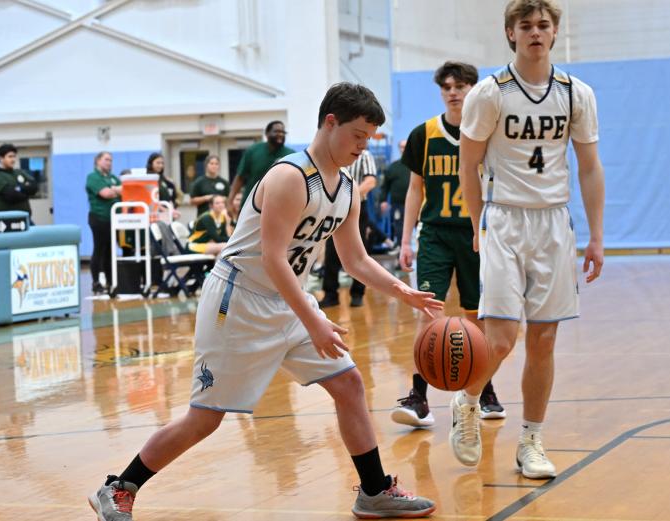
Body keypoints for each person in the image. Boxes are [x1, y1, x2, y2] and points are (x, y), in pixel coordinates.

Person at [88, 83, 440, 520]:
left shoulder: (347, 187)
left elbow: (355, 259)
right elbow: (273, 259)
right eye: (357, 135)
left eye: (369, 138)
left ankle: (373, 490)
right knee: (206, 417)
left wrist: (401, 290)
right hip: (239, 299)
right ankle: (119, 488)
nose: (362, 146)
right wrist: (312, 321)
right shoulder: (290, 176)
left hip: (287, 299)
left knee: (348, 384)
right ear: (330, 123)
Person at [455, 0, 604, 477]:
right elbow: (469, 165)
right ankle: (468, 400)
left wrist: (597, 236)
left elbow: (590, 167)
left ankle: (531, 442)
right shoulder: (488, 93)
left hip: (554, 224)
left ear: (555, 33)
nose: (536, 32)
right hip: (504, 220)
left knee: (544, 341)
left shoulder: (576, 94)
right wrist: (478, 224)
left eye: (544, 25)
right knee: (500, 339)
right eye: (526, 26)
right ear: (510, 33)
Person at [390, 61, 504, 429]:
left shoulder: (486, 134)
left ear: (473, 89)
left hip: (475, 235)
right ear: (441, 91)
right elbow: (414, 190)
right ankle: (419, 396)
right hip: (436, 234)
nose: (454, 92)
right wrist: (406, 239)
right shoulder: (424, 134)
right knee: (429, 311)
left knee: (477, 318)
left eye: (462, 85)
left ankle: (483, 389)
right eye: (448, 86)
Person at [318, 149, 377, 308]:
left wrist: (349, 196)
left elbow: (370, 181)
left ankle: (357, 293)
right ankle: (331, 294)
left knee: (358, 252)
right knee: (331, 252)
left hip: (357, 206)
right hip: (334, 207)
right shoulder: (334, 156)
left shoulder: (365, 156)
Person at [227, 120, 294, 211]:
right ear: (267, 134)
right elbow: (240, 177)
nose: (280, 134)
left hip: (278, 205)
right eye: (276, 131)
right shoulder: (253, 150)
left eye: (283, 132)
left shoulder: (290, 155)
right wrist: (230, 201)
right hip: (250, 204)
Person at [85, 152, 122, 294]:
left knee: (110, 251)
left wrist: (115, 190)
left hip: (113, 219)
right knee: (99, 250)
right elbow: (106, 194)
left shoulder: (112, 177)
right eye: (106, 160)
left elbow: (123, 190)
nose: (109, 163)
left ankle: (110, 281)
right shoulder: (93, 177)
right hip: (99, 218)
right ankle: (96, 282)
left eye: (111, 160)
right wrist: (116, 190)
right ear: (98, 161)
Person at [0, 143, 38, 218]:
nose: (13, 159)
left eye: (14, 156)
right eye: (10, 157)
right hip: (7, 221)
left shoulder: (19, 172)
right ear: (1, 158)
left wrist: (19, 189)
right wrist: (26, 192)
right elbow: (11, 196)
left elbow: (34, 187)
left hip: (25, 218)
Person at [379, 140, 410, 249]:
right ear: (399, 149)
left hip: (416, 204)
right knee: (399, 229)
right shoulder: (393, 167)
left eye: (406, 146)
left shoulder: (416, 165)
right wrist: (383, 201)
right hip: (398, 205)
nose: (404, 149)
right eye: (401, 147)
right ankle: (400, 254)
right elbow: (385, 186)